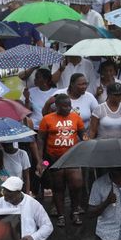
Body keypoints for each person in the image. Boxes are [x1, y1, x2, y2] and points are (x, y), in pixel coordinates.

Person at [38, 94, 85, 227]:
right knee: (58, 187)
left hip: (72, 157)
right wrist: (40, 159)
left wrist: (88, 141)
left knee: (77, 184)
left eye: (69, 105)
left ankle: (75, 211)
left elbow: (83, 133)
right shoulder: (47, 119)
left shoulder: (76, 117)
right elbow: (40, 139)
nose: (68, 108)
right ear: (57, 106)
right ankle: (61, 215)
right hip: (54, 158)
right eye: (64, 106)